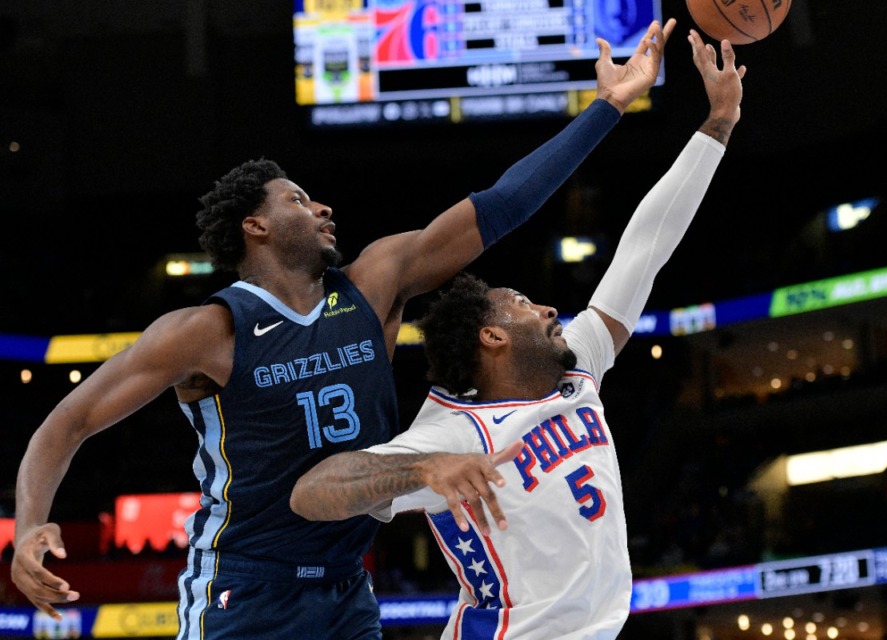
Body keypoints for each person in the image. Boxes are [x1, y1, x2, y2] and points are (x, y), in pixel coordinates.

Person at [10, 18, 676, 640]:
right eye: (297, 199)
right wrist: (32, 523)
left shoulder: (374, 284)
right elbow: (67, 423)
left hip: (348, 586)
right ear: (255, 226)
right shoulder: (205, 330)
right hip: (245, 587)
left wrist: (606, 108)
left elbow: (502, 205)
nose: (321, 205)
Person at [289, 29, 745, 639]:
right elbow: (312, 492)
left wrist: (717, 123)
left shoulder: (578, 365)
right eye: (524, 304)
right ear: (492, 339)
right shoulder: (450, 431)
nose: (552, 309)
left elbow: (647, 247)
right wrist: (422, 470)